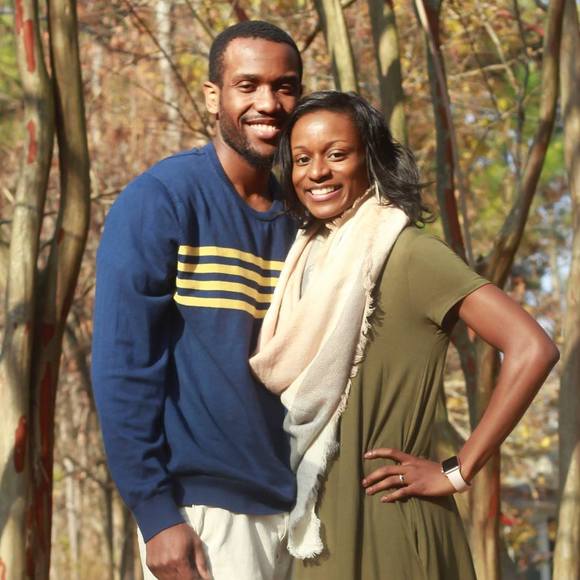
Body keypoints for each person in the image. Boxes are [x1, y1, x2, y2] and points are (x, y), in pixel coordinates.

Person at [250, 91, 559, 580]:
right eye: (303, 159)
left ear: (370, 159)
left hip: (389, 518)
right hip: (313, 524)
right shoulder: (304, 263)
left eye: (337, 154)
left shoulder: (410, 253)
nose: (317, 172)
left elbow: (532, 347)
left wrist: (457, 470)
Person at [91, 21, 303, 580]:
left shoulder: (305, 218)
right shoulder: (161, 200)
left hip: (304, 511)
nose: (268, 103)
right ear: (213, 96)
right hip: (206, 516)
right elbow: (123, 368)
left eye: (284, 87)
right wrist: (156, 514)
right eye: (248, 85)